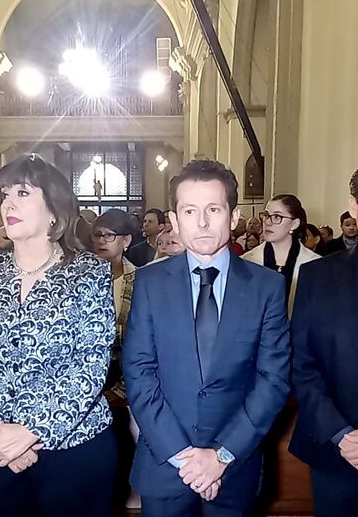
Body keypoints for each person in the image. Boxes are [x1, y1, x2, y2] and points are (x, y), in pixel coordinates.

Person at [0, 154, 117, 517]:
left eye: (22, 193)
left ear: (54, 210)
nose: (8, 202)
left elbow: (90, 365)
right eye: (5, 193)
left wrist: (30, 433)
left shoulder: (89, 272)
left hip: (72, 448)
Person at [123, 160, 291, 516]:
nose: (201, 222)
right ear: (175, 219)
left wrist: (221, 456)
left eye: (213, 209)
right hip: (166, 467)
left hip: (235, 468)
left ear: (232, 217)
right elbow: (139, 373)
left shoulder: (267, 287)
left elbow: (272, 379)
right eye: (190, 210)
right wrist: (186, 458)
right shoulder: (150, 284)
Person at [289, 168, 358, 516]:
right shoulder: (318, 276)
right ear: (354, 207)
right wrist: (341, 434)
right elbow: (302, 364)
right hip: (338, 453)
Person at [242, 195, 320, 315]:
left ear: (294, 224)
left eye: (277, 217)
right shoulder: (247, 261)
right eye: (266, 215)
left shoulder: (315, 264)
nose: (267, 222)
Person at [91, 208, 135, 389]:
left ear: (126, 240)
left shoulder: (140, 280)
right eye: (98, 234)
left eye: (109, 235)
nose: (102, 240)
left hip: (126, 374)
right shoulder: (82, 279)